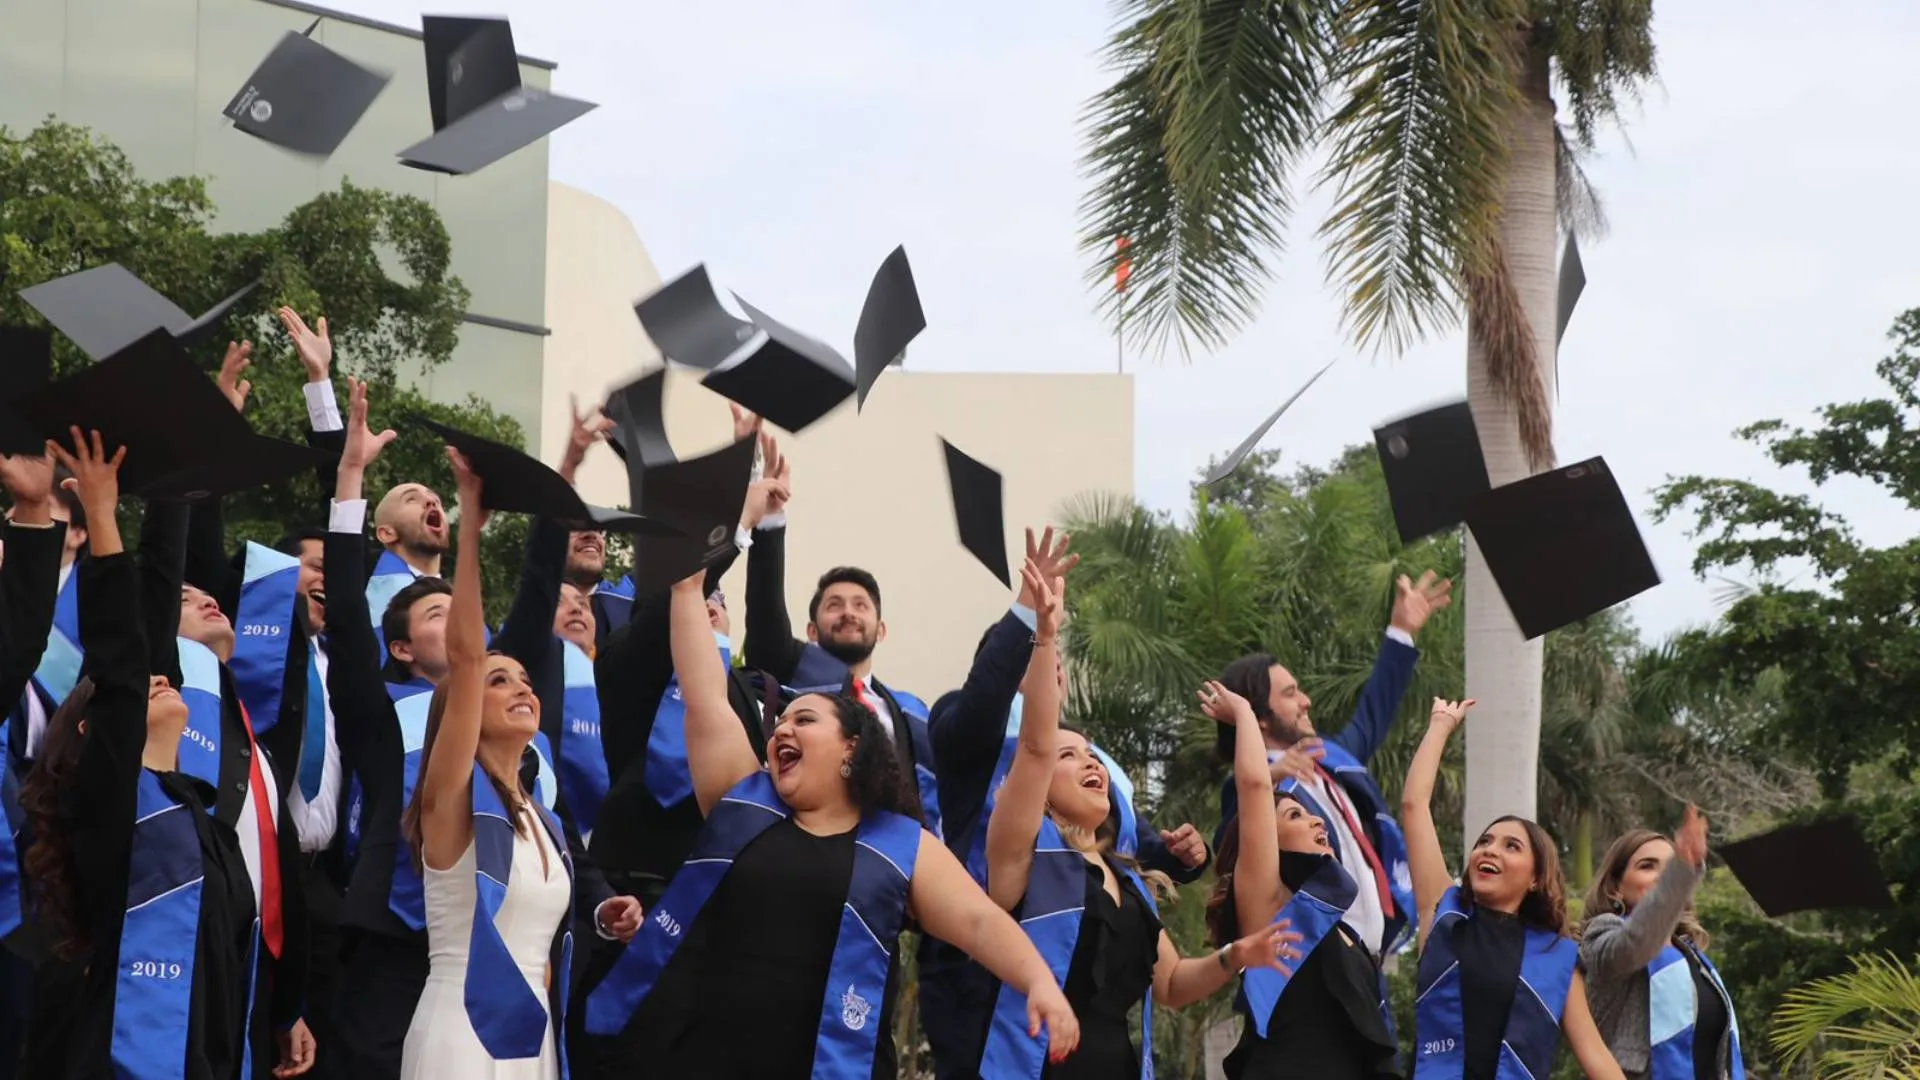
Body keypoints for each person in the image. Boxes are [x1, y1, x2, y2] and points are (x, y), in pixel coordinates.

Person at [579, 568, 1081, 1079]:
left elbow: (980, 922)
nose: (782, 730)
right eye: (781, 722)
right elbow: (704, 693)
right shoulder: (742, 798)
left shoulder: (900, 844)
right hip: (703, 1059)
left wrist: (1039, 982)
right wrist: (686, 590)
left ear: (852, 748)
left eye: (804, 719)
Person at [20, 428, 303, 1078]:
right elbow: (123, 650)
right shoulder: (112, 809)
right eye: (136, 691)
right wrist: (104, 511)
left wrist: (183, 463)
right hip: (123, 1052)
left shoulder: (204, 821)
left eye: (166, 677)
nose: (160, 678)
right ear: (94, 734)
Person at [977, 562, 1302, 1079]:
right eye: (1070, 757)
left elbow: (1171, 986)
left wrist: (1237, 953)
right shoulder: (1021, 850)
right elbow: (1035, 746)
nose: (1089, 763)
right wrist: (1043, 635)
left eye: (1092, 755)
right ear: (1037, 790)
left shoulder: (1130, 881)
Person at [919, 527, 1212, 1078]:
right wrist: (1031, 617)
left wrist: (1184, 857)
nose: (1053, 675)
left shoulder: (1084, 758)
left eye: (1056, 668)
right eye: (1036, 661)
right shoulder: (969, 727)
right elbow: (1011, 725)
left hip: (1081, 960)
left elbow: (1132, 842)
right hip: (978, 965)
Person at [398, 444, 572, 1078]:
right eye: (501, 681)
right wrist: (471, 520)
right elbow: (467, 656)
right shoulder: (451, 791)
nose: (523, 687)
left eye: (526, 678)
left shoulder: (541, 816)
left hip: (533, 1041)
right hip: (461, 1034)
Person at [1214, 570, 1453, 961]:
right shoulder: (1252, 791)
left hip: (1370, 958)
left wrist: (1402, 631)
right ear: (1257, 716)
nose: (1305, 700)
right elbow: (1230, 845)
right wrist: (1267, 776)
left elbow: (1372, 714)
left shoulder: (1331, 757)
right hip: (1313, 960)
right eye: (1290, 694)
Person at [1401, 697, 1625, 1080]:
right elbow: (1413, 805)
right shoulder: (1443, 912)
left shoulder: (1555, 955)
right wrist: (1440, 724)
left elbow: (1596, 1057)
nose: (1490, 850)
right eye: (1485, 841)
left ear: (1536, 878)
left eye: (1511, 846)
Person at [739, 432, 944, 832]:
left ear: (881, 630)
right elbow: (764, 615)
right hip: (815, 847)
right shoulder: (795, 671)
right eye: (834, 605)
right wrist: (769, 522)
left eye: (860, 605)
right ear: (812, 630)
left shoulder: (909, 712)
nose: (848, 613)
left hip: (900, 855)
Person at [1201, 680, 1401, 1080]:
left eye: (1308, 814)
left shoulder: (1342, 928)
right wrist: (1243, 714)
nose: (1315, 818)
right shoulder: (1270, 905)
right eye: (1294, 815)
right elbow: (1255, 787)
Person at [1578, 808, 1744, 1080]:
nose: (1663, 876)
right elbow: (1637, 941)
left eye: (1670, 867)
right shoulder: (1603, 934)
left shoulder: (1691, 957)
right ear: (1614, 888)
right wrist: (1681, 872)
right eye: (1647, 866)